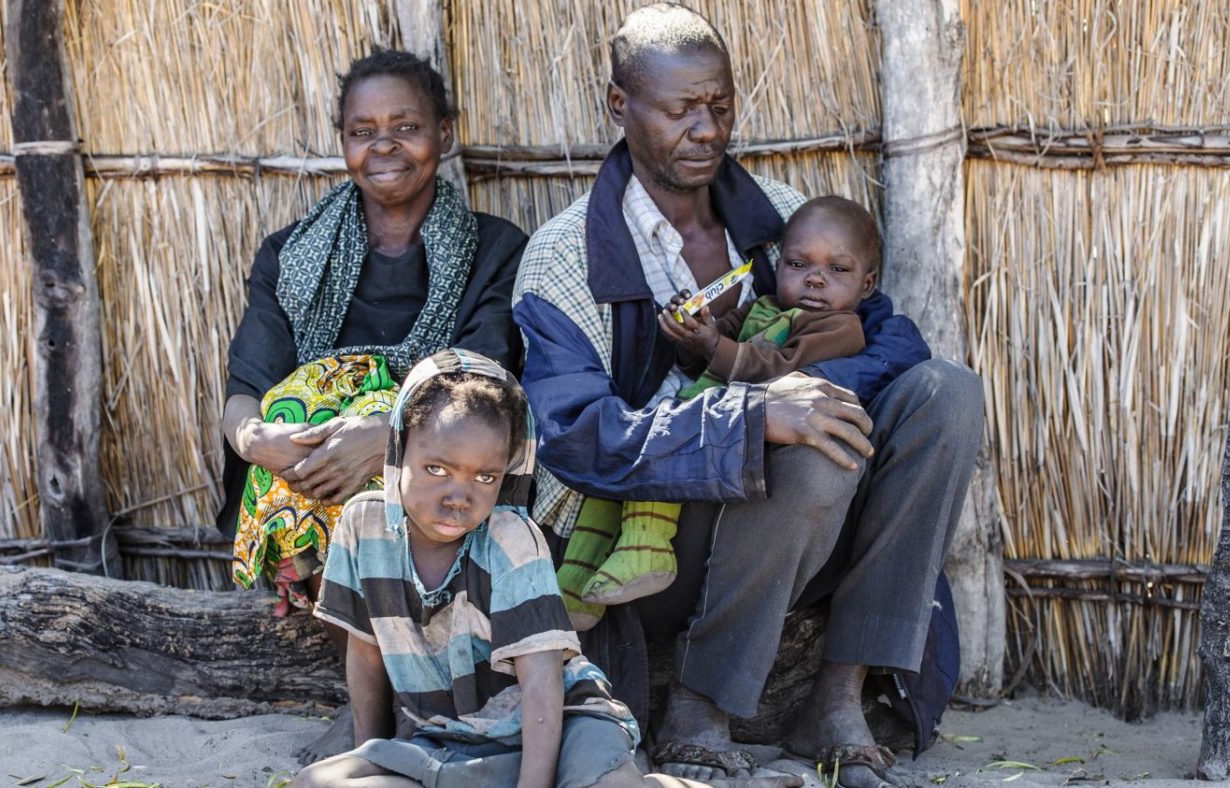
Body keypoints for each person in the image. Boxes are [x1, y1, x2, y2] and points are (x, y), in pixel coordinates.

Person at [512, 4, 984, 787]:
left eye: (720, 106)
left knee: (948, 393)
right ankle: (701, 704)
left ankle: (840, 694)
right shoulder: (564, 258)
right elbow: (578, 438)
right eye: (679, 109)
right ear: (619, 106)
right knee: (804, 443)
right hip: (650, 547)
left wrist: (802, 386)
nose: (706, 129)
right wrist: (752, 413)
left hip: (807, 535)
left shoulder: (776, 213)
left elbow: (884, 338)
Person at [217, 49, 527, 763]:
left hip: (445, 457)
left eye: (406, 126)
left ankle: (398, 705)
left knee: (433, 452)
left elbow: (483, 375)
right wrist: (257, 439)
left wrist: (386, 436)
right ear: (342, 140)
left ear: (444, 132)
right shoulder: (291, 255)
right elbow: (245, 391)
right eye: (363, 131)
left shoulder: (493, 250)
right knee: (297, 415)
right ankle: (376, 702)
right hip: (314, 473)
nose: (383, 147)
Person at [294, 350, 795, 788]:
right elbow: (366, 656)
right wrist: (373, 753)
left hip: (560, 722)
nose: (458, 497)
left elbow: (541, 684)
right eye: (437, 469)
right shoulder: (364, 525)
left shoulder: (511, 541)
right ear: (400, 448)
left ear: (507, 473)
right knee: (315, 783)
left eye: (485, 476)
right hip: (450, 737)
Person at [558, 197, 877, 624]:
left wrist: (714, 348)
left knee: (662, 467)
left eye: (837, 270)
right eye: (799, 265)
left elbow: (777, 370)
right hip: (703, 414)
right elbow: (711, 352)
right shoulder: (764, 307)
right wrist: (693, 331)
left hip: (736, 449)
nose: (815, 280)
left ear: (867, 284)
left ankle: (647, 549)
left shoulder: (840, 329)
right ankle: (575, 586)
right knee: (612, 481)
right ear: (779, 265)